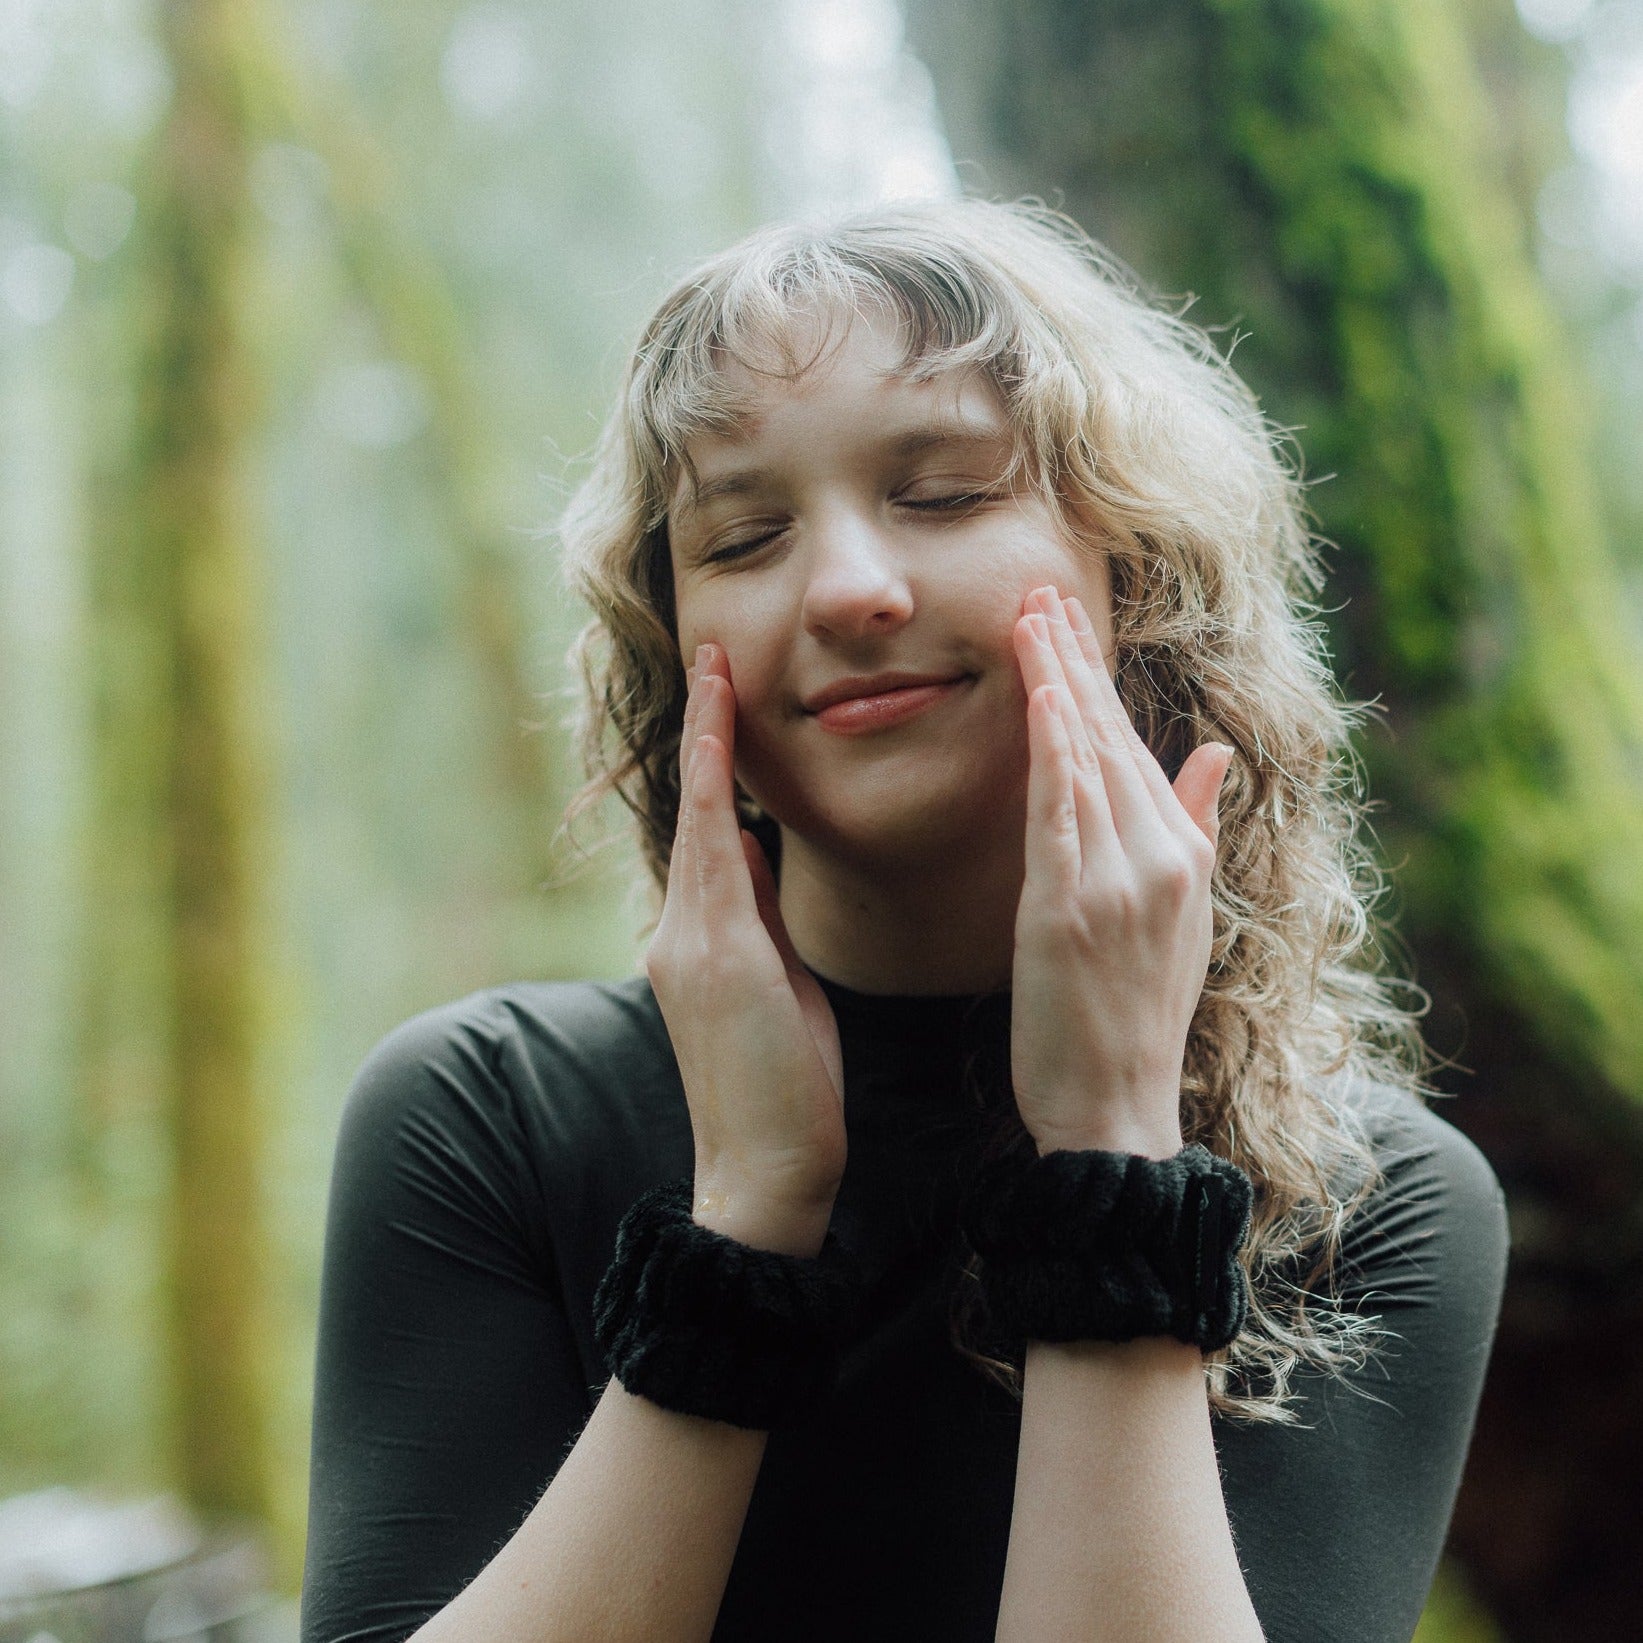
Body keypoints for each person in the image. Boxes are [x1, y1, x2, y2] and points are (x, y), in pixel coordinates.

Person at [298, 198, 1510, 1643]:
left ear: (1141, 572)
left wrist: (1114, 1153)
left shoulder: (1372, 1198)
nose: (851, 590)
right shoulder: (486, 1115)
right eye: (744, 536)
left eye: (942, 496)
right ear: (673, 661)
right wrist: (742, 1231)